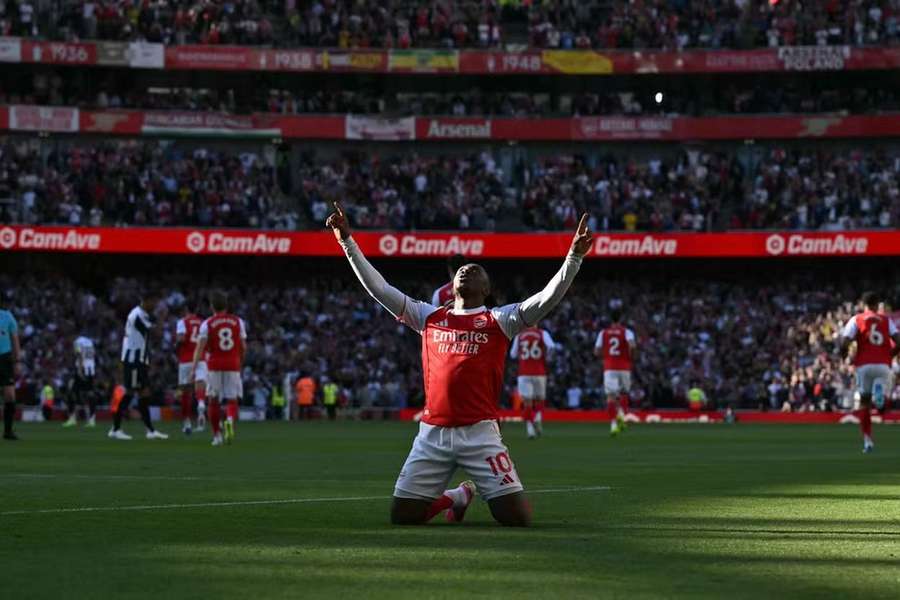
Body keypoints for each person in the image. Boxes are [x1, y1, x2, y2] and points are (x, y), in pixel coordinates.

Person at [327, 201, 592, 526]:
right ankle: (457, 496)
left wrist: (574, 257)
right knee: (403, 515)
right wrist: (347, 241)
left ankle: (471, 494)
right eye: (463, 270)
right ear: (452, 286)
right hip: (432, 434)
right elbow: (379, 289)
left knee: (516, 518)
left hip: (480, 434)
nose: (467, 270)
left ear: (486, 289)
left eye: (476, 270)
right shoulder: (428, 316)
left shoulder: (500, 320)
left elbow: (545, 299)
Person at [839, 291, 900, 453]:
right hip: (883, 365)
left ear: (863, 304)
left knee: (864, 402)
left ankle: (867, 441)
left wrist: (844, 356)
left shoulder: (856, 319)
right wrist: (889, 355)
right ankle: (880, 398)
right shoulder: (886, 320)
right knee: (882, 407)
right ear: (877, 304)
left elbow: (845, 342)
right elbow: (899, 341)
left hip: (864, 365)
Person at [110, 294, 169, 441]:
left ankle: (150, 430)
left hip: (139, 360)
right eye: (153, 302)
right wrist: (162, 319)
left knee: (144, 393)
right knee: (131, 393)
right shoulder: (137, 315)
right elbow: (157, 333)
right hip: (133, 360)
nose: (155, 306)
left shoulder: (143, 314)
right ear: (146, 301)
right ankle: (115, 429)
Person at [191, 290, 247, 446]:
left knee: (213, 400)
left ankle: (217, 436)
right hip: (233, 364)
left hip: (214, 364)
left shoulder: (207, 323)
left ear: (211, 306)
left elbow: (200, 348)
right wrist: (240, 361)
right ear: (226, 305)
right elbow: (243, 346)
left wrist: (194, 368)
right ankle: (229, 419)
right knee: (232, 399)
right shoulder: (238, 321)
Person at [594, 309, 636, 436]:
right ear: (621, 319)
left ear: (610, 320)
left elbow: (596, 351)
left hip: (610, 367)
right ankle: (622, 415)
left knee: (611, 397)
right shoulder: (627, 332)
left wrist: (606, 356)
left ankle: (613, 425)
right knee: (624, 394)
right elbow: (632, 345)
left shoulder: (603, 333)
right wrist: (630, 357)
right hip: (624, 367)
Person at [509, 325, 556, 439]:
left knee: (527, 402)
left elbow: (512, 354)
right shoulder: (542, 333)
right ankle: (537, 418)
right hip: (539, 371)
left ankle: (530, 430)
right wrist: (547, 357)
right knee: (540, 399)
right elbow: (551, 346)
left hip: (524, 372)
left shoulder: (519, 336)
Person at [175, 299, 208, 435]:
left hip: (186, 360)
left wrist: (176, 345)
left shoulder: (182, 322)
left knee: (185, 393)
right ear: (197, 309)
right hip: (200, 358)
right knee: (200, 384)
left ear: (186, 309)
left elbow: (181, 338)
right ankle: (201, 402)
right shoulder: (203, 323)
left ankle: (187, 423)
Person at [64, 333, 98, 428]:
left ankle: (72, 418)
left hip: (82, 368)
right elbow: (93, 354)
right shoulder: (90, 342)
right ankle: (92, 419)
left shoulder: (77, 342)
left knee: (71, 391)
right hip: (91, 369)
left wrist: (79, 369)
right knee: (89, 393)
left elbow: (79, 355)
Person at [0, 303, 21, 440]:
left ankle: (8, 431)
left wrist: (17, 361)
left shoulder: (7, 316)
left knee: (10, 396)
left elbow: (15, 339)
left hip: (5, 358)